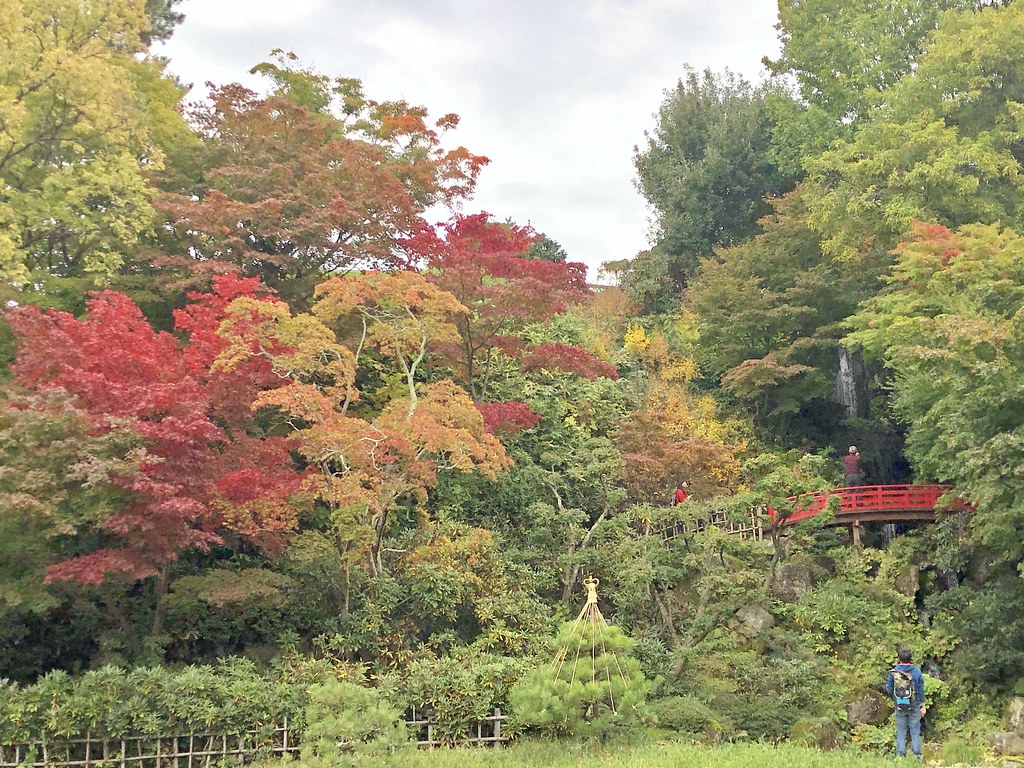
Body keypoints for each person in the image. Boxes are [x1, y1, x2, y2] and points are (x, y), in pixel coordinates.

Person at [885, 647, 926, 760]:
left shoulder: (894, 673)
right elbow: (920, 689)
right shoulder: (916, 672)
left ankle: (901, 757)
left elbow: (888, 688)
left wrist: (896, 698)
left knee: (901, 731)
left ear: (899, 658)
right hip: (914, 705)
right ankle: (917, 757)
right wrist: (922, 705)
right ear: (910, 658)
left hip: (899, 704)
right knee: (915, 731)